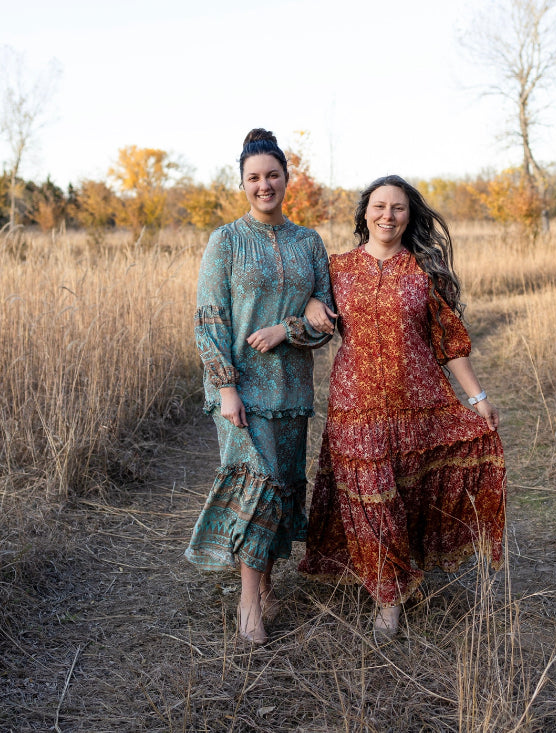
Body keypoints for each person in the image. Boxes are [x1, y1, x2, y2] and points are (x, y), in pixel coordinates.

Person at [299, 174, 506, 637]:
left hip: (418, 403)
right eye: (378, 206)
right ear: (364, 213)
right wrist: (313, 301)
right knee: (370, 500)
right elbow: (309, 315)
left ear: (409, 216)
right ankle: (388, 598)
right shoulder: (336, 269)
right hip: (355, 406)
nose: (387, 215)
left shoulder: (423, 273)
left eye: (397, 208)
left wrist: (478, 399)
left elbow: (451, 344)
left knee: (403, 497)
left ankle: (398, 572)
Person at [185, 129, 333, 646]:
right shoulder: (225, 240)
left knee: (282, 490)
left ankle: (266, 584)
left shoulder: (308, 243)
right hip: (242, 392)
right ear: (242, 183)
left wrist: (289, 328)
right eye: (254, 177)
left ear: (287, 179)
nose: (264, 184)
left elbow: (324, 319)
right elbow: (210, 319)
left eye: (273, 175)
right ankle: (249, 603)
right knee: (255, 486)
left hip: (292, 392)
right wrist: (225, 388)